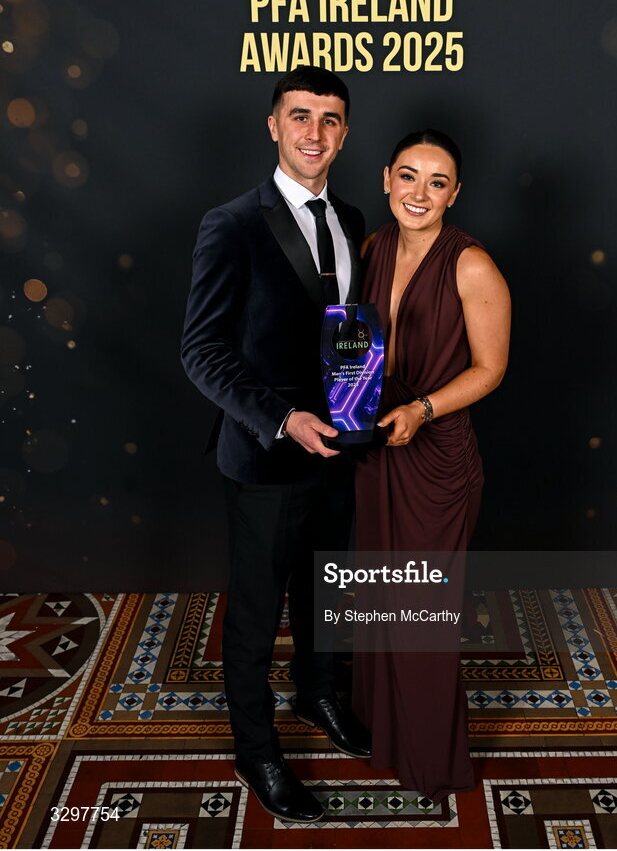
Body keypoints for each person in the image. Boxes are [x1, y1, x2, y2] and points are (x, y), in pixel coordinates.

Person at [181, 66, 371, 824]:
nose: (314, 134)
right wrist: (281, 418)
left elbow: (348, 332)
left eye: (329, 120)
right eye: (300, 117)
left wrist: (364, 404)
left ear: (344, 133)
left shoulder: (354, 219)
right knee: (257, 615)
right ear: (273, 125)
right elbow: (201, 351)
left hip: (341, 450)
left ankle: (321, 695)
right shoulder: (230, 223)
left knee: (330, 592)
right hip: (264, 454)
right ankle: (255, 748)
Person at [352, 129, 511, 803]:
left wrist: (420, 408)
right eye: (408, 176)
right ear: (386, 178)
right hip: (373, 449)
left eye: (436, 181)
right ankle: (380, 735)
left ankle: (429, 761)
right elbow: (357, 343)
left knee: (420, 613)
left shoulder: (471, 264)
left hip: (436, 461)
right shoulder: (371, 248)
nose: (419, 193)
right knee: (378, 602)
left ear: (455, 193)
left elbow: (490, 369)